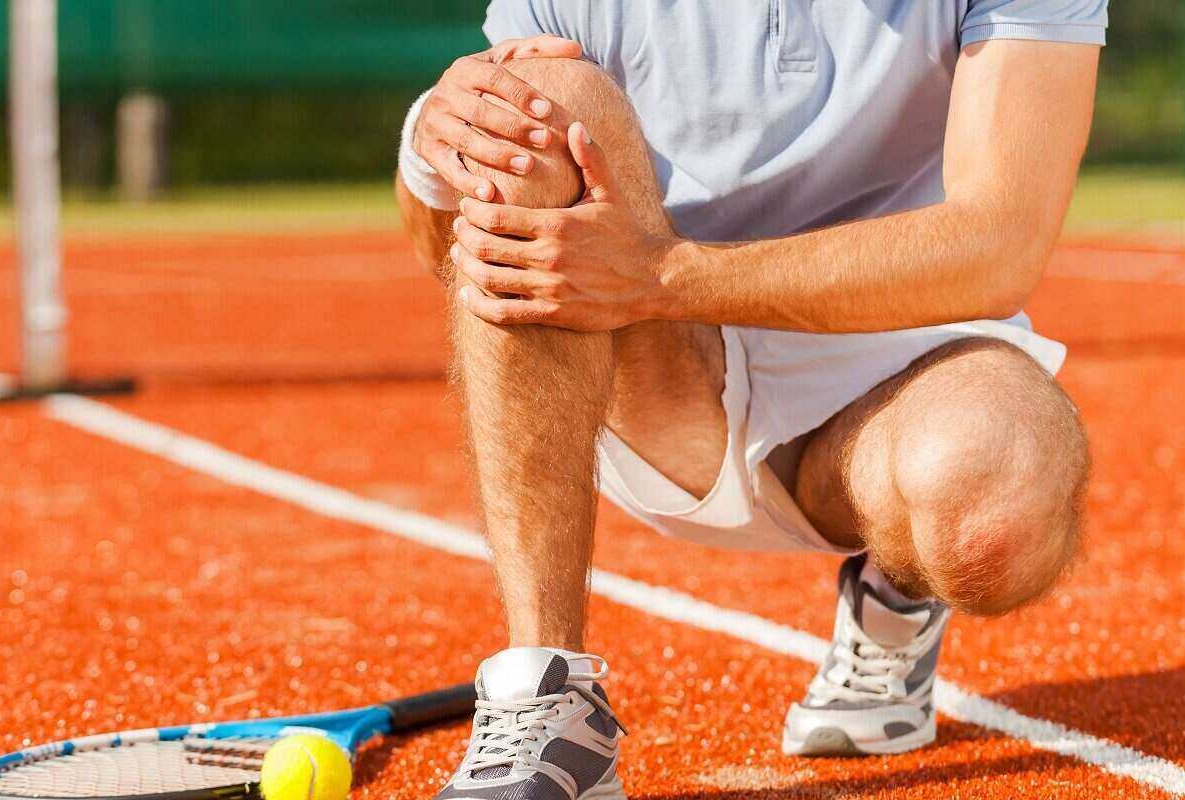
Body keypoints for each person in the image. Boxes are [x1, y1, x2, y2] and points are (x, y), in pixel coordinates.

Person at [395, 2, 1105, 798]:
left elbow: (1000, 242)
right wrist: (436, 146)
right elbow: (448, 248)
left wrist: (662, 275)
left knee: (996, 499)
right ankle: (547, 692)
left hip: (900, 365)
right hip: (658, 372)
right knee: (535, 98)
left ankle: (895, 597)